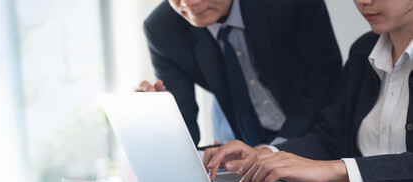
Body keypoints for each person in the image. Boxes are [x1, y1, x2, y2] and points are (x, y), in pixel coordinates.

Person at [204, 0, 413, 182]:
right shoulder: (363, 51)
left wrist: (335, 170)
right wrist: (267, 155)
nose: (363, 1)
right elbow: (330, 136)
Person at [139, 0, 342, 147]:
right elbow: (182, 122)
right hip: (240, 139)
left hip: (315, 131)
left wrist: (277, 149)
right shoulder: (162, 29)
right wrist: (157, 117)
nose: (190, 3)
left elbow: (324, 78)